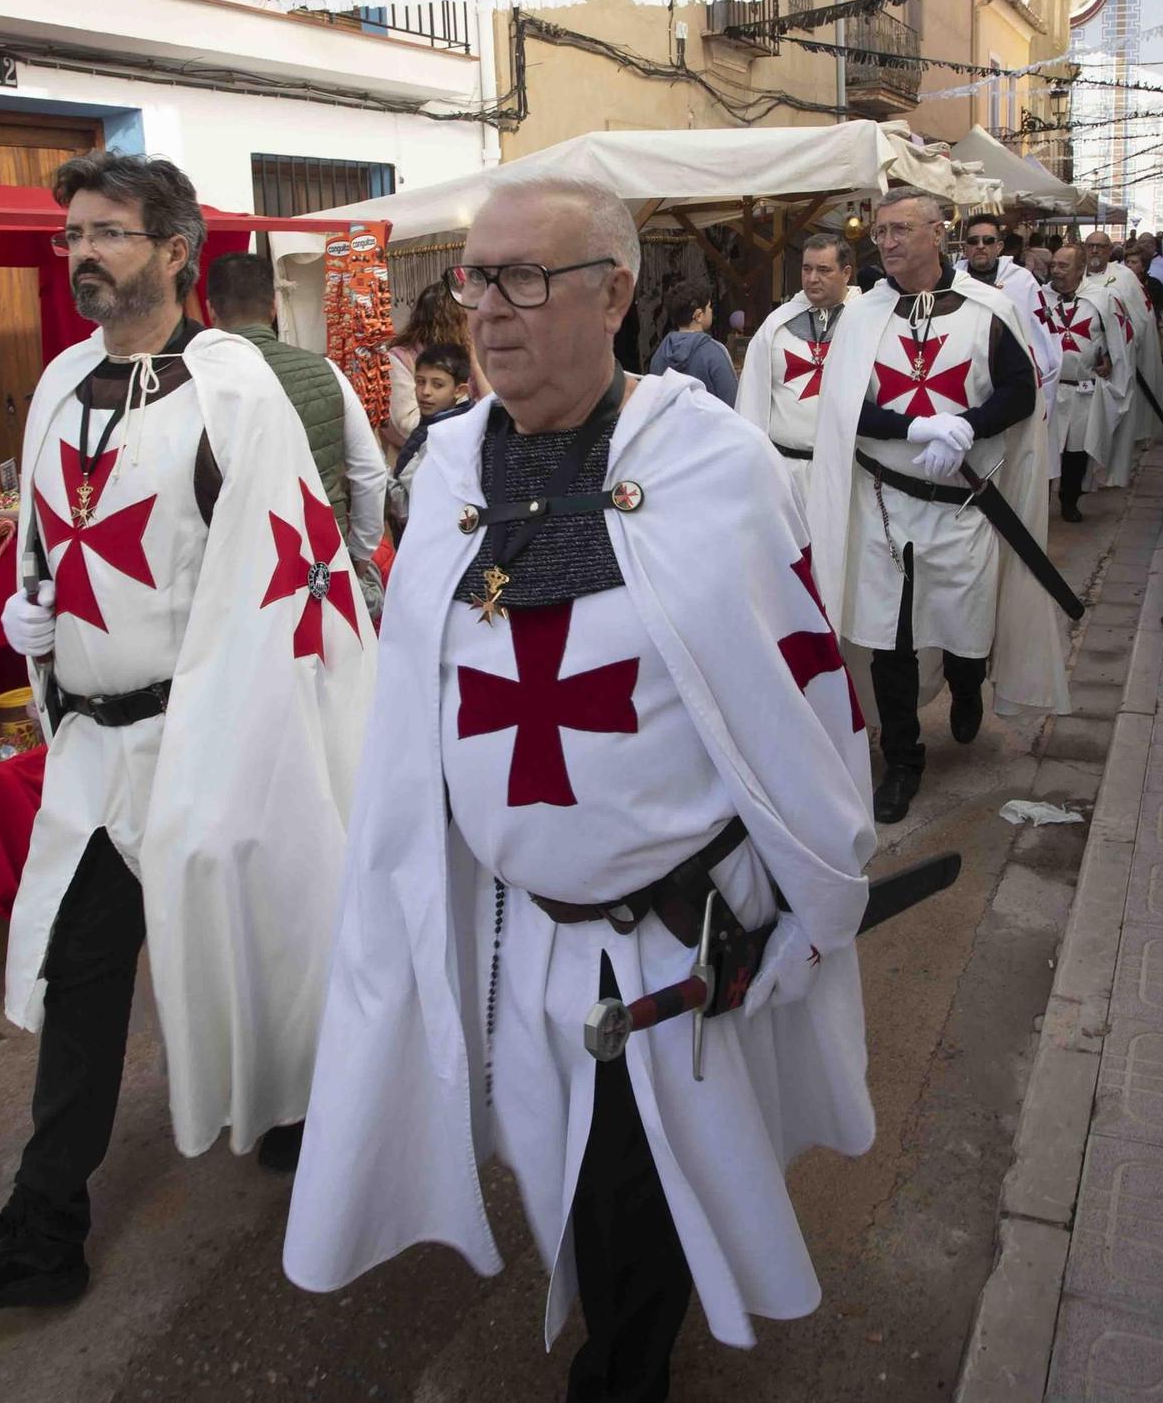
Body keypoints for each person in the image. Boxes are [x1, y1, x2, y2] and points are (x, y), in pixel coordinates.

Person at [284, 175, 880, 1403]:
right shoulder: (448, 470)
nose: (487, 312)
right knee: (554, 1167)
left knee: (632, 1189)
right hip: (516, 930)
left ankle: (622, 1375)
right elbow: (419, 705)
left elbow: (799, 695)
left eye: (524, 278)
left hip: (662, 937)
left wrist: (802, 896)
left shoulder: (711, 467)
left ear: (612, 294)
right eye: (474, 279)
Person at [0, 153, 376, 1318]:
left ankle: (305, 1114)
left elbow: (280, 577)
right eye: (71, 237)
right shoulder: (60, 381)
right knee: (78, 969)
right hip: (96, 746)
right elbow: (52, 542)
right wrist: (39, 628)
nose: (81, 255)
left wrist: (226, 733)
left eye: (105, 233)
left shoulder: (236, 391)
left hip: (212, 726)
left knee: (266, 932)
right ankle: (41, 1225)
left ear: (173, 250)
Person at [807, 188, 1069, 825]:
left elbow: (1018, 392)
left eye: (900, 230)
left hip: (962, 506)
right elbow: (843, 407)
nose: (887, 242)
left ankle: (967, 678)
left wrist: (967, 427)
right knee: (890, 639)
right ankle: (902, 759)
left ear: (937, 231)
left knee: (963, 620)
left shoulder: (989, 309)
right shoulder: (864, 316)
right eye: (880, 232)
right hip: (884, 503)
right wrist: (916, 429)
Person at [206, 252, 388, 613]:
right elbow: (370, 473)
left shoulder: (195, 382)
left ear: (211, 312)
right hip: (321, 560)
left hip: (233, 572)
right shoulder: (326, 372)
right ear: (273, 308)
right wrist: (359, 553)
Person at [735, 233, 855, 487]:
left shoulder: (865, 320)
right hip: (783, 469)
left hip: (846, 472)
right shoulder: (777, 322)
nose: (812, 279)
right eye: (807, 268)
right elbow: (752, 393)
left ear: (846, 273)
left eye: (823, 270)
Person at [959, 213, 1061, 482]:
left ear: (999, 246)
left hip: (1008, 379)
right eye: (973, 240)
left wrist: (1041, 380)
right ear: (965, 247)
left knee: (1013, 465)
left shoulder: (1022, 281)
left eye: (988, 240)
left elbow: (1039, 334)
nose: (980, 245)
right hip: (965, 379)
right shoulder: (951, 281)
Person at [1042, 244, 1128, 523]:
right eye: (1053, 264)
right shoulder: (1039, 298)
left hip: (1082, 389)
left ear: (1081, 269)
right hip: (1049, 391)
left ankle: (1069, 501)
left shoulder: (1101, 298)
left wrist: (1111, 360)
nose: (1055, 270)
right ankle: (1039, 504)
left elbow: (1115, 337)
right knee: (1045, 450)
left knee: (1075, 451)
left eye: (1063, 266)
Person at [1082, 229, 1163, 487]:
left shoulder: (1124, 277)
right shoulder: (1076, 275)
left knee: (1116, 420)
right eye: (1090, 246)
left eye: (1101, 246)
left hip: (1117, 363)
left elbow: (1140, 319)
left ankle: (1113, 474)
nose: (1095, 251)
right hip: (1084, 366)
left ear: (1109, 250)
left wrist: (1113, 347)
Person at [382, 280, 489, 463]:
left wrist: (476, 364)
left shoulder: (470, 351)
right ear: (450, 322)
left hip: (468, 453)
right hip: (421, 458)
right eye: (466, 318)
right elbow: (407, 424)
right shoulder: (402, 357)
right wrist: (471, 425)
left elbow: (494, 409)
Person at [387, 341, 477, 531]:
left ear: (459, 391)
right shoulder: (446, 423)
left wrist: (380, 473)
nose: (426, 392)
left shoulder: (444, 439)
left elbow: (408, 507)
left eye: (437, 385)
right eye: (420, 381)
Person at [647, 278, 738, 405]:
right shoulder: (714, 352)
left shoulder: (659, 355)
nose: (711, 311)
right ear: (699, 315)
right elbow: (732, 401)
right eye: (709, 307)